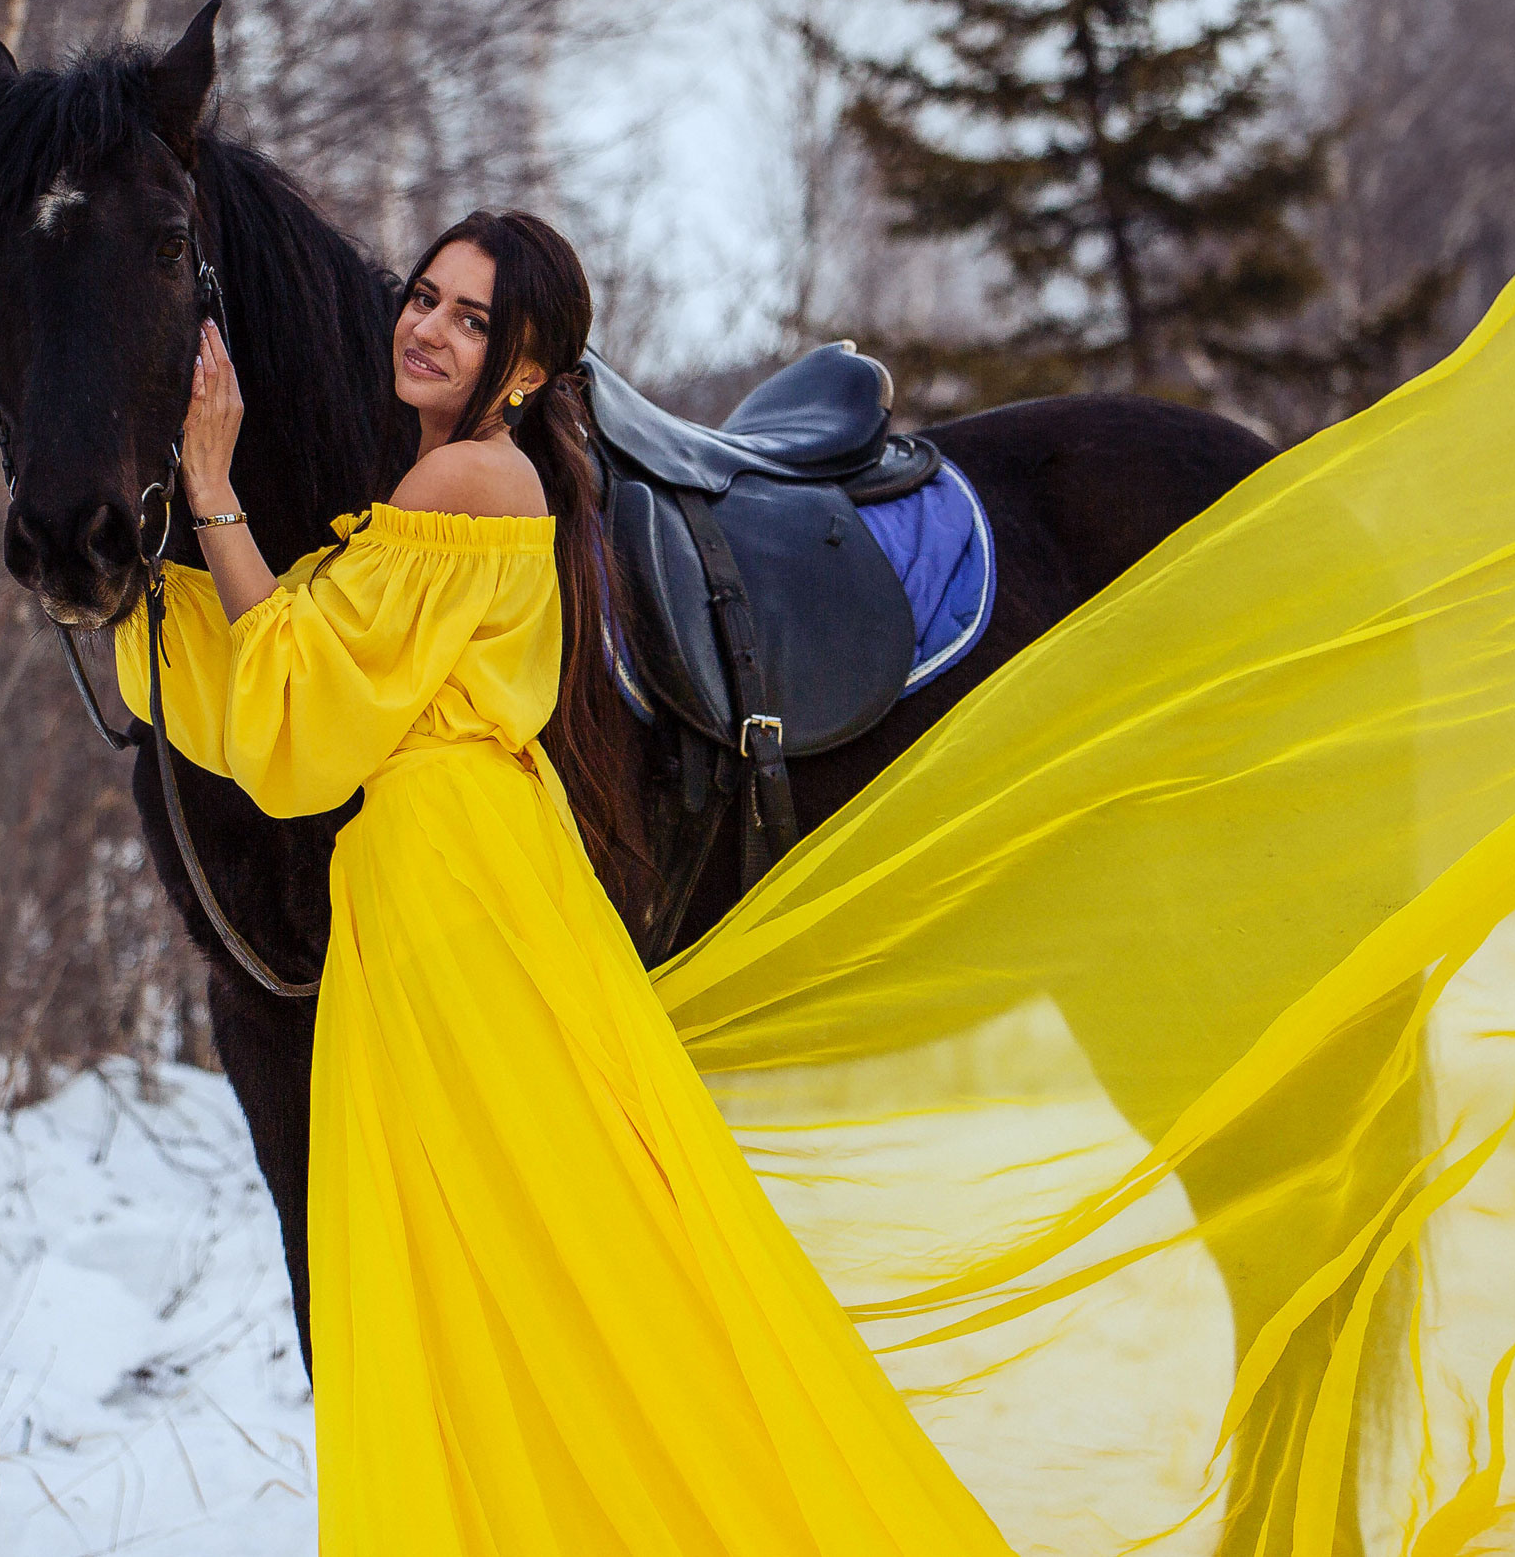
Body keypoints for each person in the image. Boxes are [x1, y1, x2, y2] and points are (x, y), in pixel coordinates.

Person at [132, 209, 1014, 1556]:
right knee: (521, 1261)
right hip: (456, 880)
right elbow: (295, 649)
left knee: (523, 1255)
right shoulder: (440, 486)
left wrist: (210, 488)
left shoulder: (467, 484)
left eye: (473, 320)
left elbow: (301, 714)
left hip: (452, 894)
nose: (427, 328)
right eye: (424, 298)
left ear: (533, 369)